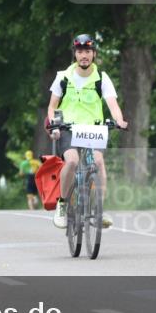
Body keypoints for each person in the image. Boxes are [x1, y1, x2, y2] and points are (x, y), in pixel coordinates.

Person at [46, 34, 128, 229]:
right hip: (68, 128)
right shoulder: (63, 77)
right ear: (75, 54)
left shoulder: (102, 78)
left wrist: (119, 120)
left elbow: (113, 105)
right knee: (72, 161)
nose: (84, 55)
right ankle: (62, 205)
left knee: (98, 162)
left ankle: (98, 210)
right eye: (80, 51)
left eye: (88, 51)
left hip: (93, 129)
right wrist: (54, 125)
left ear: (94, 54)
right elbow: (52, 106)